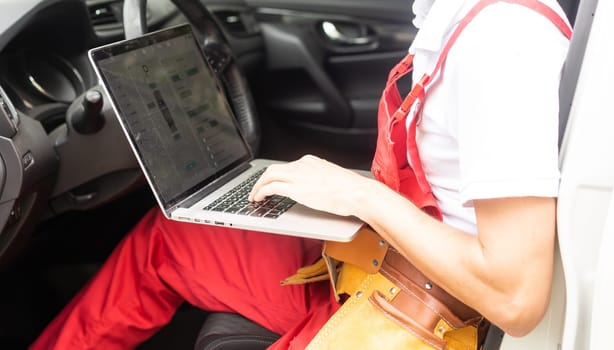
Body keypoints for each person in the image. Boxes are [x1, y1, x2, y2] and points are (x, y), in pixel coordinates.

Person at [31, 0, 572, 348]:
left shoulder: (503, 43)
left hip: (420, 318)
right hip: (381, 262)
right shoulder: (462, 19)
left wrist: (361, 195)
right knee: (171, 236)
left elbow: (515, 299)